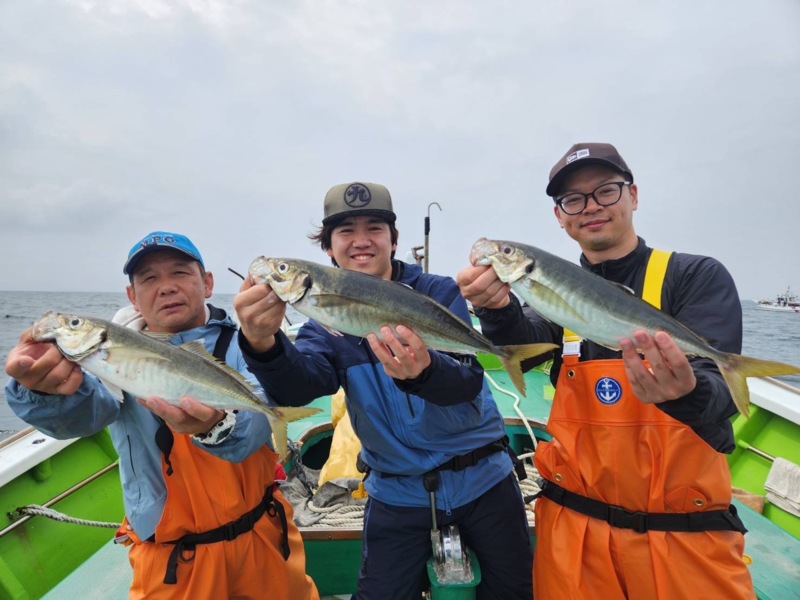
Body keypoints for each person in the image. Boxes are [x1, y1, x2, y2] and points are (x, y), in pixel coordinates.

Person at [456, 143, 756, 599]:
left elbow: (716, 404)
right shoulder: (557, 294)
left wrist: (684, 392)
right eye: (573, 200)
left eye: (606, 191)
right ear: (560, 217)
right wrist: (496, 309)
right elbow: (530, 348)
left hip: (684, 537)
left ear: (633, 195)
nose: (591, 206)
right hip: (575, 535)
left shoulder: (694, 276)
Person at [233, 182, 534, 600]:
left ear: (393, 240)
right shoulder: (323, 323)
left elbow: (466, 382)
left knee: (514, 593)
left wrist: (424, 372)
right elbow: (300, 386)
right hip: (396, 490)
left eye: (374, 227)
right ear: (328, 249)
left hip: (483, 480)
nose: (361, 240)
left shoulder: (436, 291)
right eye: (345, 231)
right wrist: (262, 343)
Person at [4, 231, 319, 600]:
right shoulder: (109, 360)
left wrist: (219, 426)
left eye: (180, 273)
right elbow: (84, 416)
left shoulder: (247, 341)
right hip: (171, 561)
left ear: (207, 283)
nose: (166, 287)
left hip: (265, 538)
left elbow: (257, 412)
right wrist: (44, 392)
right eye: (149, 279)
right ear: (132, 297)